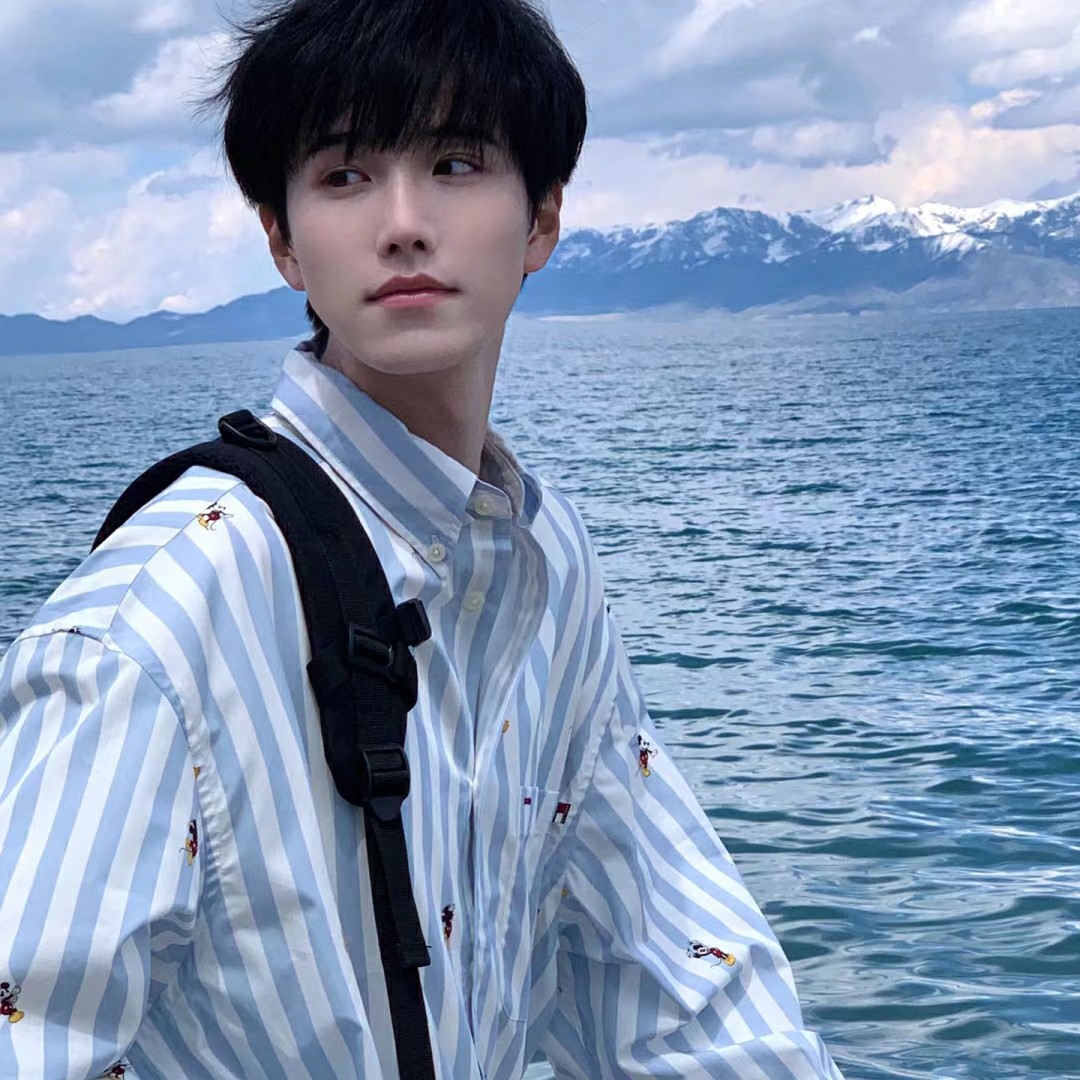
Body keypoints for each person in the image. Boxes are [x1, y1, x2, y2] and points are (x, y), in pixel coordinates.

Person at [0, 1, 844, 1077]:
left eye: (454, 163)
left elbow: (671, 965)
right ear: (282, 239)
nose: (402, 222)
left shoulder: (541, 558)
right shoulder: (151, 626)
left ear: (542, 219)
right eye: (345, 174)